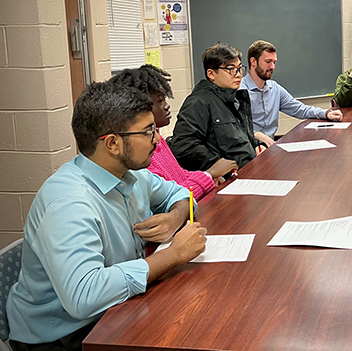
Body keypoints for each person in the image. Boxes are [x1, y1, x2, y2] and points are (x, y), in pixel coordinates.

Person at [6, 82, 207, 351]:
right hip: (64, 337)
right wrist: (175, 254)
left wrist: (174, 217)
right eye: (148, 131)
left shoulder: (131, 175)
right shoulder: (69, 202)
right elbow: (84, 297)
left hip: (114, 311)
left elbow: (181, 193)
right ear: (112, 143)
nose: (157, 139)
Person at [110, 65, 238, 200]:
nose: (167, 105)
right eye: (160, 101)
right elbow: (170, 197)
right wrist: (209, 174)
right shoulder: (140, 150)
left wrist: (209, 178)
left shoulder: (158, 138)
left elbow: (180, 175)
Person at [170, 43, 264, 172]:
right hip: (226, 179)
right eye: (231, 69)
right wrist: (217, 164)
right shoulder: (199, 102)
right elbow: (183, 145)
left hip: (247, 171)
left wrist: (256, 147)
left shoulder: (234, 98)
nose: (238, 74)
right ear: (211, 74)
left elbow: (237, 138)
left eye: (240, 68)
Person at [240, 40, 343, 141]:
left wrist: (325, 113)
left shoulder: (274, 88)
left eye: (274, 62)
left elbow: (299, 109)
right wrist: (255, 136)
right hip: (248, 148)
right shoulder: (239, 90)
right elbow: (236, 128)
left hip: (270, 147)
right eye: (268, 62)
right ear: (253, 62)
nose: (272, 67)